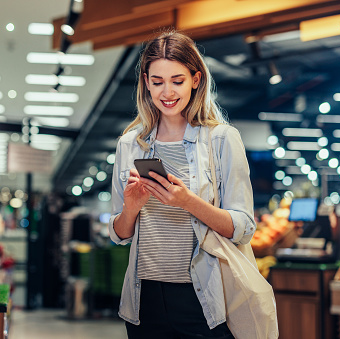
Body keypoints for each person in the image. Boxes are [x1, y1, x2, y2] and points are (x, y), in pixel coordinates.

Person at [108, 31, 256, 338]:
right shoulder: (129, 145)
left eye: (177, 80)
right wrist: (131, 210)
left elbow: (243, 226)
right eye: (158, 81)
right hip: (144, 300)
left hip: (204, 298)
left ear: (196, 79)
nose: (167, 92)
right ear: (146, 82)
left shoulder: (222, 140)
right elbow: (120, 234)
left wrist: (187, 201)